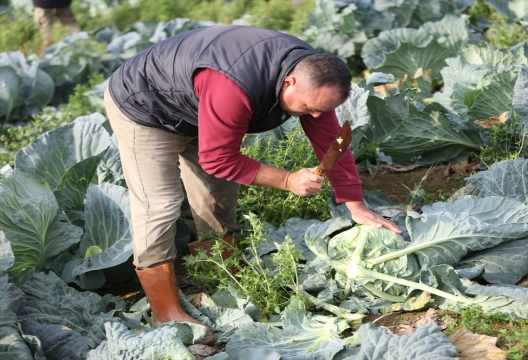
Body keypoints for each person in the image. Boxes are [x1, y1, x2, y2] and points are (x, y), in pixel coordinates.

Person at [104, 25, 401, 343]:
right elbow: (218, 159)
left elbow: (331, 141)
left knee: (218, 192)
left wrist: (355, 204)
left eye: (322, 109)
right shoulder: (235, 86)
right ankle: (165, 310)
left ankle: (218, 273)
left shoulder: (315, 79)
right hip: (146, 107)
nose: (315, 116)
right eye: (309, 108)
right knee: (159, 203)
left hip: (199, 105)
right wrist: (287, 180)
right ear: (289, 82)